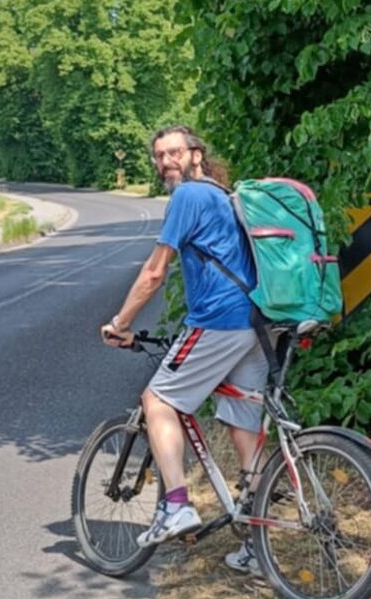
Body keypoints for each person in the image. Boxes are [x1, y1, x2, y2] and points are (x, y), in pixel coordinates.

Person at [100, 125, 266, 571]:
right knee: (243, 430)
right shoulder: (223, 196)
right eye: (158, 156)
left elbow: (155, 273)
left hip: (218, 322)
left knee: (157, 400)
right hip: (254, 326)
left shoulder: (189, 197)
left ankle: (176, 505)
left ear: (196, 155)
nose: (165, 162)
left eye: (173, 153)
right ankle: (257, 548)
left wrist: (121, 323)